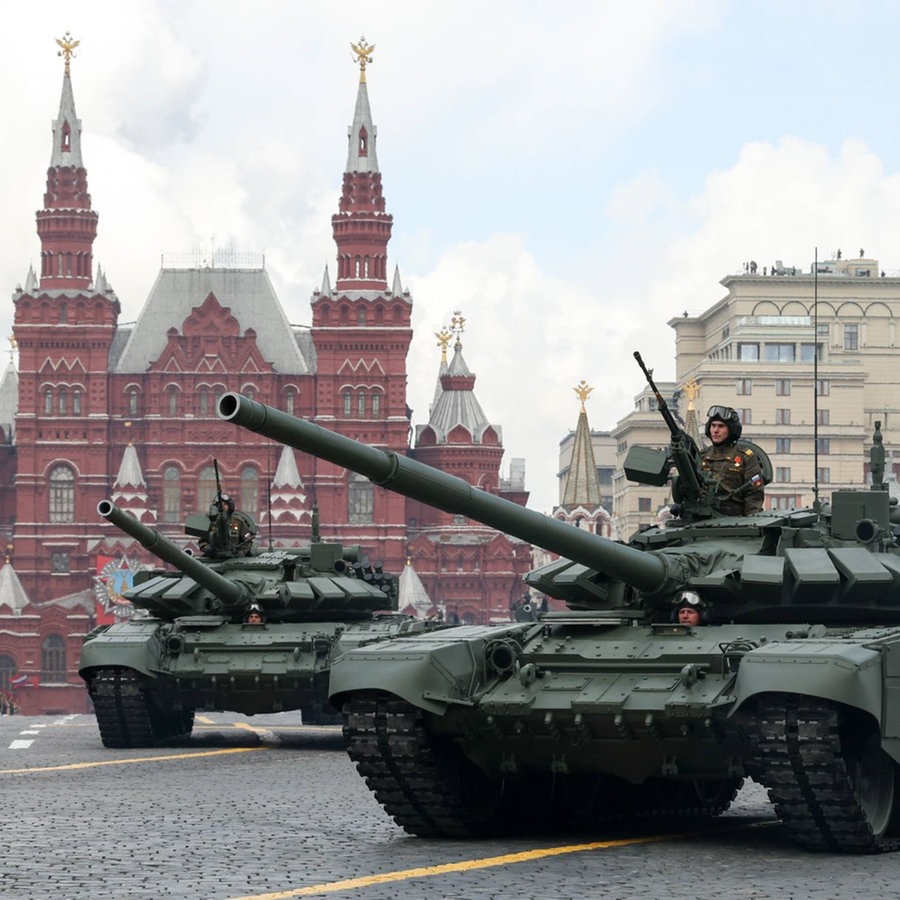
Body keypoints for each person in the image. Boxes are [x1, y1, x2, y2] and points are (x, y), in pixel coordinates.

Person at [701, 405, 765, 515]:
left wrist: (751, 523)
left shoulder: (745, 457)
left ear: (731, 429)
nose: (715, 430)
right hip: (702, 517)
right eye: (713, 426)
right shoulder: (702, 456)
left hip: (734, 521)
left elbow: (754, 496)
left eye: (721, 426)